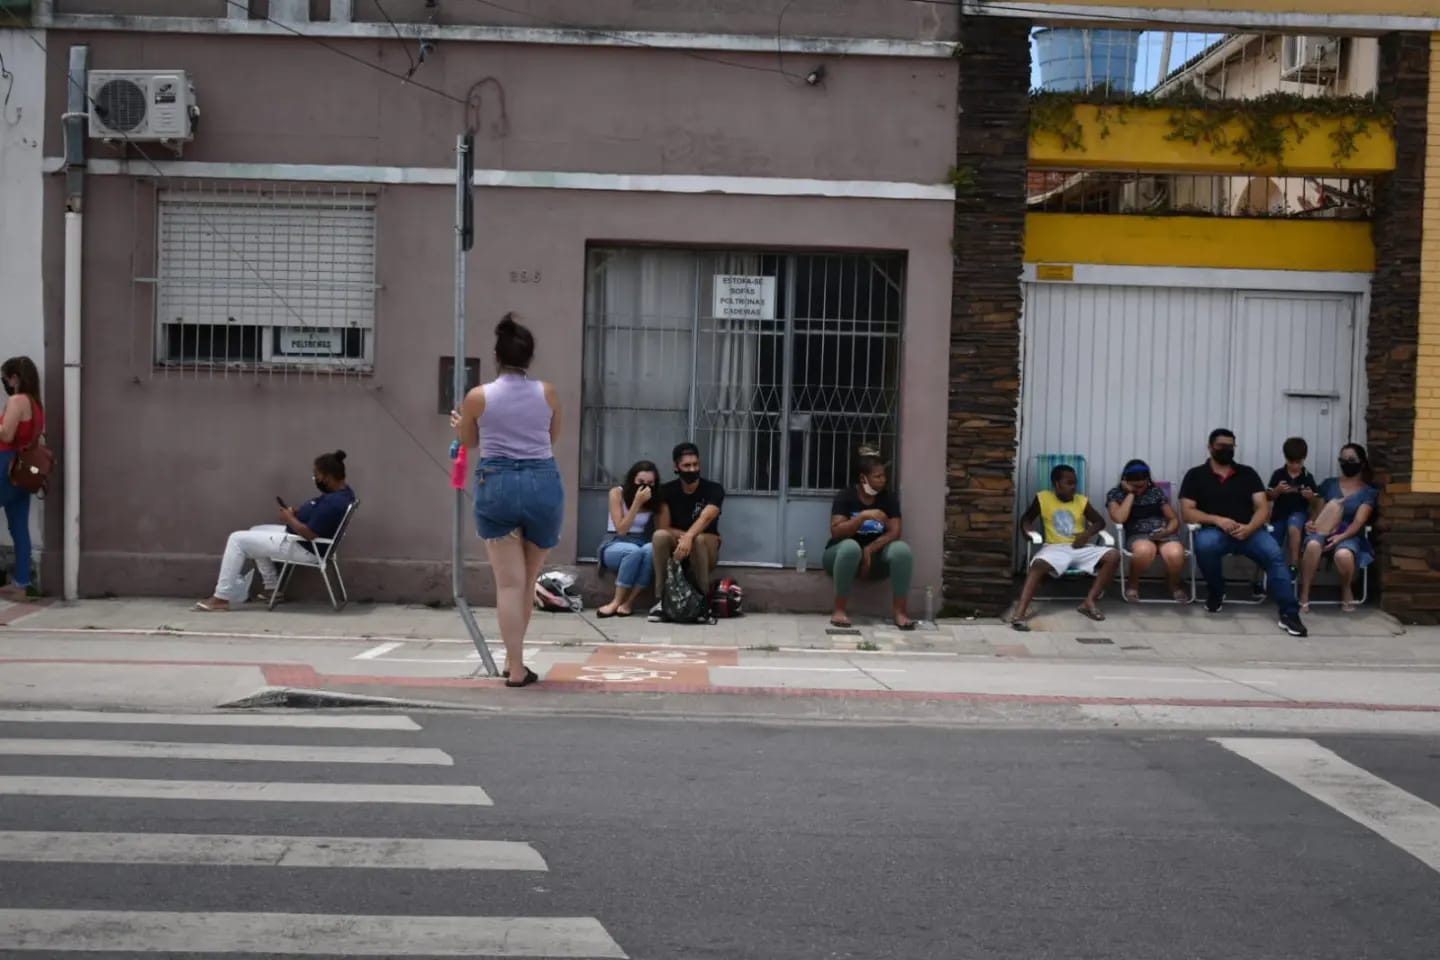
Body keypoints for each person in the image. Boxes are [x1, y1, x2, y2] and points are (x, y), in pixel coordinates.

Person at [451, 314, 563, 688]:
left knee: (509, 585)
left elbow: (468, 442)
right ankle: (517, 662)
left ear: (497, 355)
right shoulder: (547, 392)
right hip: (541, 482)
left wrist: (461, 425)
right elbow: (553, 435)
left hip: (496, 481)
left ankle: (514, 666)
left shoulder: (478, 397)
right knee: (528, 581)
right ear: (529, 357)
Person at [1180, 428, 1307, 637]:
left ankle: (1290, 614)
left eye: (1230, 446)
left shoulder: (1247, 474)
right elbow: (1187, 512)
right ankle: (1216, 591)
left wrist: (1250, 528)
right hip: (1215, 531)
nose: (1226, 450)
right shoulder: (1196, 475)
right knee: (1204, 545)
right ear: (1210, 447)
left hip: (1249, 532)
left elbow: (1263, 507)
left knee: (1275, 555)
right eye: (1222, 446)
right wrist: (1218, 520)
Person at [195, 450, 356, 612]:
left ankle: (221, 598)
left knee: (236, 540)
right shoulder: (343, 493)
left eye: (317, 474)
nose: (315, 478)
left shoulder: (334, 502)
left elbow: (309, 533)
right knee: (255, 531)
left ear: (327, 477)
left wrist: (289, 518)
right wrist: (297, 512)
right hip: (304, 541)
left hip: (305, 547)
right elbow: (319, 514)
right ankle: (272, 589)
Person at [1009, 463, 1120, 629]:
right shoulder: (1043, 498)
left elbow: (1099, 522)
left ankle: (1089, 602)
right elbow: (1026, 519)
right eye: (1069, 483)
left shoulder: (1081, 501)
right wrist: (1029, 533)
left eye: (1075, 482)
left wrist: (1086, 534)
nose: (1073, 487)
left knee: (1113, 555)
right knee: (1038, 565)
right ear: (1057, 484)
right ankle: (1020, 613)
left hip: (1080, 547)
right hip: (1055, 548)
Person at [824, 448, 915, 631]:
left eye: (883, 476)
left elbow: (895, 532)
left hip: (875, 560)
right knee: (850, 547)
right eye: (877, 476)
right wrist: (862, 517)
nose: (883, 480)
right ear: (863, 478)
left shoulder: (888, 499)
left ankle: (900, 612)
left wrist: (870, 549)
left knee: (902, 550)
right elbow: (836, 533)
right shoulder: (846, 497)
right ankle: (839, 610)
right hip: (839, 557)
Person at [1298, 443, 1379, 613]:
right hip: (1324, 530)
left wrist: (1339, 538)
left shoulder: (1368, 492)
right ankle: (1304, 593)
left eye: (1351, 460)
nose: (1346, 463)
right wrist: (1311, 522)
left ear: (1362, 463)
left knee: (1343, 555)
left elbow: (1358, 523)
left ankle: (1346, 588)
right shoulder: (1329, 484)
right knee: (1313, 545)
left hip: (1348, 533)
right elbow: (1317, 512)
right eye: (1343, 460)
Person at [649, 442, 724, 623]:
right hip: (677, 547)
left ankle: (703, 603)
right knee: (659, 537)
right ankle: (662, 601)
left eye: (695, 465)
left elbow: (707, 517)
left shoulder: (714, 489)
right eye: (687, 466)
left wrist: (689, 537)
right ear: (676, 467)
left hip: (705, 545)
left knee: (698, 539)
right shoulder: (666, 491)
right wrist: (684, 539)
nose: (692, 469)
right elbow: (663, 527)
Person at [1105, 458, 1187, 604]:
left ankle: (1173, 584)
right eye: (1135, 486)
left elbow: (1174, 519)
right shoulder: (1115, 494)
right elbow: (1119, 518)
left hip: (1162, 533)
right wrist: (1130, 494)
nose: (1140, 489)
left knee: (1176, 552)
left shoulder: (1156, 492)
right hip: (1137, 535)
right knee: (1144, 550)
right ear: (1125, 481)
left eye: (1142, 485)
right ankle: (1133, 584)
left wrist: (1167, 531)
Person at [0, 356, 43, 601]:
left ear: (14, 378)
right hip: (23, 470)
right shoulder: (36, 404)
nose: (4, 382)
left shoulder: (17, 400)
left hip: (5, 464)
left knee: (18, 526)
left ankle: (20, 583)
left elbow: (6, 434)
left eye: (5, 377)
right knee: (19, 527)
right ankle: (21, 583)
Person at [596, 459, 659, 618]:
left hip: (640, 541)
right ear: (632, 480)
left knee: (650, 549)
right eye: (641, 482)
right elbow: (621, 529)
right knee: (633, 551)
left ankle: (629, 602)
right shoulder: (617, 493)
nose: (645, 486)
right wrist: (637, 503)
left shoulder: (654, 498)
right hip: (615, 542)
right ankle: (616, 602)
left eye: (650, 483)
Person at [1267, 436, 1319, 571]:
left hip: (1299, 513)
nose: (1295, 466)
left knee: (1294, 526)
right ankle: (1263, 576)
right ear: (1285, 458)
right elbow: (1268, 496)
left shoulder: (1308, 477)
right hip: (1279, 515)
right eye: (1291, 462)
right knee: (1270, 542)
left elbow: (1317, 501)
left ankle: (1293, 564)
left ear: (1304, 459)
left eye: (1298, 462)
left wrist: (1310, 497)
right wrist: (1278, 490)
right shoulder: (1278, 474)